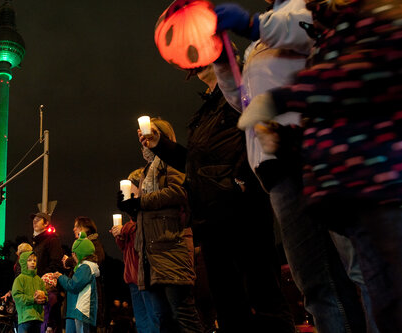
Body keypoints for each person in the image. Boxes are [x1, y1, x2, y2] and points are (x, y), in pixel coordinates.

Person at [240, 0, 402, 330]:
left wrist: (280, 100)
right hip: (343, 183)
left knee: (383, 287)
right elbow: (329, 117)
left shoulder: (369, 19)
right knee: (373, 288)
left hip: (378, 182)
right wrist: (286, 139)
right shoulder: (330, 30)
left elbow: (349, 82)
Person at [212, 0, 368, 331]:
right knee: (314, 282)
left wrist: (255, 25)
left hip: (322, 152)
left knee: (364, 266)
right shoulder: (258, 41)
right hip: (277, 166)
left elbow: (318, 29)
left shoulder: (312, 6)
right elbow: (246, 104)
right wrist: (225, 66)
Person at [139, 64, 294, 333]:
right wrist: (160, 144)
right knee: (229, 303)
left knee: (263, 296)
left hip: (243, 212)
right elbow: (194, 165)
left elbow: (259, 138)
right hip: (211, 219)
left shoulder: (243, 96)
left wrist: (241, 181)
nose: (198, 64)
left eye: (207, 55)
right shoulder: (203, 114)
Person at [118, 118, 203, 332]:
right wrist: (130, 206)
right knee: (163, 319)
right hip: (151, 253)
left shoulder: (172, 162)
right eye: (141, 138)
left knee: (182, 314)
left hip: (171, 247)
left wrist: (141, 201)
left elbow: (178, 192)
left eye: (149, 135)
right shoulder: (147, 172)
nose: (143, 142)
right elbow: (147, 212)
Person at [110, 169, 155, 333]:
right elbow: (125, 248)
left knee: (152, 318)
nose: (127, 192)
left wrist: (125, 229)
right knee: (142, 321)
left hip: (144, 274)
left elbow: (141, 234)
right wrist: (119, 236)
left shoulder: (143, 212)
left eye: (131, 187)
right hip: (132, 276)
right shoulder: (131, 219)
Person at [63, 217, 106, 332]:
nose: (73, 229)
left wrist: (69, 261)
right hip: (74, 303)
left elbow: (88, 264)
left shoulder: (94, 245)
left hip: (84, 304)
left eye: (77, 226)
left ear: (86, 228)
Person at [54, 232, 99, 333]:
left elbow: (73, 285)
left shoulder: (86, 268)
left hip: (80, 311)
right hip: (77, 311)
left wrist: (60, 277)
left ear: (79, 253)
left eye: (74, 253)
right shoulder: (84, 268)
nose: (72, 255)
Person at [30, 212, 64, 333]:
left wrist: (41, 279)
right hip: (37, 289)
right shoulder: (36, 243)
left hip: (47, 290)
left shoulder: (52, 240)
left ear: (46, 223)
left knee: (47, 325)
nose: (34, 221)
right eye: (34, 219)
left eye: (38, 219)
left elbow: (55, 264)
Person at [12, 251, 47, 333]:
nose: (32, 262)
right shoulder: (20, 279)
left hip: (38, 318)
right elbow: (17, 296)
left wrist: (44, 299)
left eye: (34, 260)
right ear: (24, 262)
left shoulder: (39, 280)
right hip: (25, 319)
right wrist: (33, 299)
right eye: (29, 260)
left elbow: (46, 295)